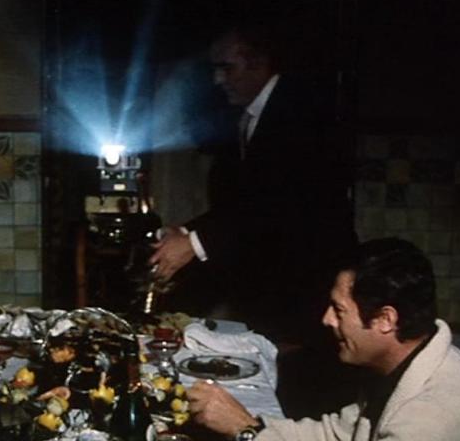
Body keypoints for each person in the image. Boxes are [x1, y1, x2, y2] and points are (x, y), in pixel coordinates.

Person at [187, 238, 460, 441]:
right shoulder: (410, 364)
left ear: (385, 319)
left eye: (339, 309)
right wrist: (238, 423)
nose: (326, 320)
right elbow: (336, 439)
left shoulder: (434, 414)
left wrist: (245, 432)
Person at [149, 18, 356, 343]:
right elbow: (242, 202)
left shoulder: (296, 112)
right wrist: (186, 232)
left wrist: (193, 244)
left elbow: (274, 204)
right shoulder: (251, 115)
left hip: (307, 282)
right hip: (274, 285)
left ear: (258, 63)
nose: (218, 79)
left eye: (227, 68)